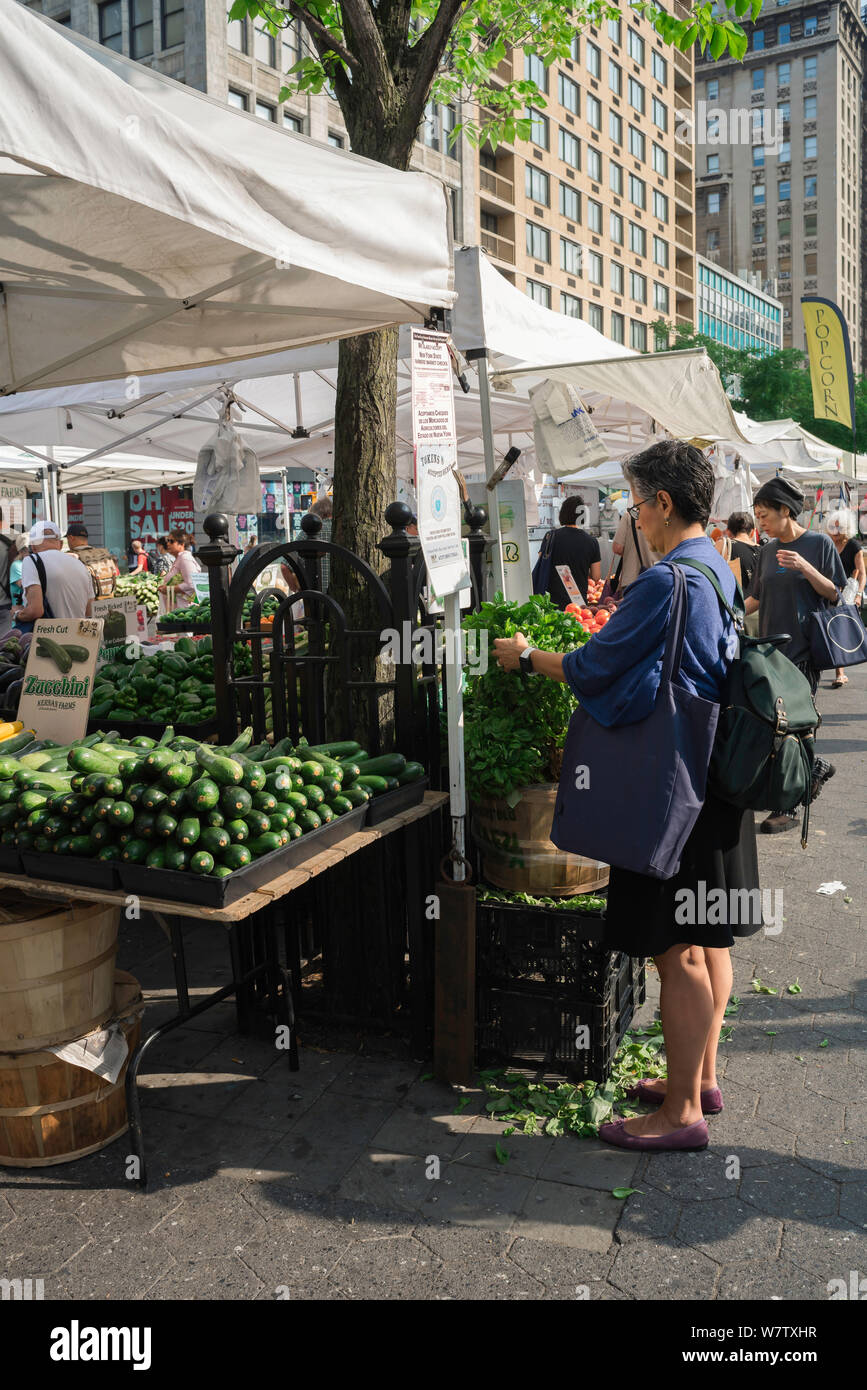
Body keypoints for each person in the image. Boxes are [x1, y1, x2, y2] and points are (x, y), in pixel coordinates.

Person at [493, 441, 762, 1154]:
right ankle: (698, 1079)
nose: (633, 516)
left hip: (669, 787)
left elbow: (593, 667)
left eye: (636, 502)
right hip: (712, 780)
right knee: (706, 940)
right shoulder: (716, 566)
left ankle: (680, 1115)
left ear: (663, 504)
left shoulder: (666, 580)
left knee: (672, 950)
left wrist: (524, 658)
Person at [745, 477, 844, 833]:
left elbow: (835, 593)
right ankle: (808, 775)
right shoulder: (767, 550)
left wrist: (805, 567)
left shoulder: (818, 544)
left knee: (794, 726)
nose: (761, 523)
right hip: (770, 650)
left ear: (785, 510)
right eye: (756, 517)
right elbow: (756, 597)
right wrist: (729, 610)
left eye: (765, 514)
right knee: (776, 724)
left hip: (803, 648)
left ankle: (786, 806)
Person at [11, 520, 94, 626]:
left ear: (33, 546)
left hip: (50, 639)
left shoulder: (31, 561)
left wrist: (16, 614)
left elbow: (35, 611)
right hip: (78, 637)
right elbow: (89, 611)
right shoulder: (81, 566)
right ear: (60, 544)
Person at [825, 507, 865, 688]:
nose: (835, 533)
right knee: (830, 631)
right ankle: (837, 670)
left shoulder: (854, 546)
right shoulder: (828, 544)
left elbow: (862, 573)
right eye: (832, 529)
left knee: (839, 631)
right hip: (828, 592)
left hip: (847, 595)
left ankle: (840, 673)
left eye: (839, 529)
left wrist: (858, 595)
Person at [541, 496, 601, 609]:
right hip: (577, 603)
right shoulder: (592, 542)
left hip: (551, 602)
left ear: (562, 514)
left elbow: (542, 564)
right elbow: (596, 576)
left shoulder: (550, 536)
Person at [611, 502, 661, 591]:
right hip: (660, 578)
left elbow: (617, 548)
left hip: (632, 578)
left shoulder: (629, 516)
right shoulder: (666, 517)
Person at [157, 528, 201, 610]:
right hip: (176, 611)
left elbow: (191, 584)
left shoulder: (185, 558)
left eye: (171, 541)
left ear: (182, 544)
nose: (168, 544)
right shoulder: (179, 559)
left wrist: (168, 589)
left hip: (184, 611)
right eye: (167, 541)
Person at [723, 510, 760, 592]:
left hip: (736, 603)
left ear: (728, 532)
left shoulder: (726, 546)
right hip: (761, 603)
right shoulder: (765, 551)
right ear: (753, 532)